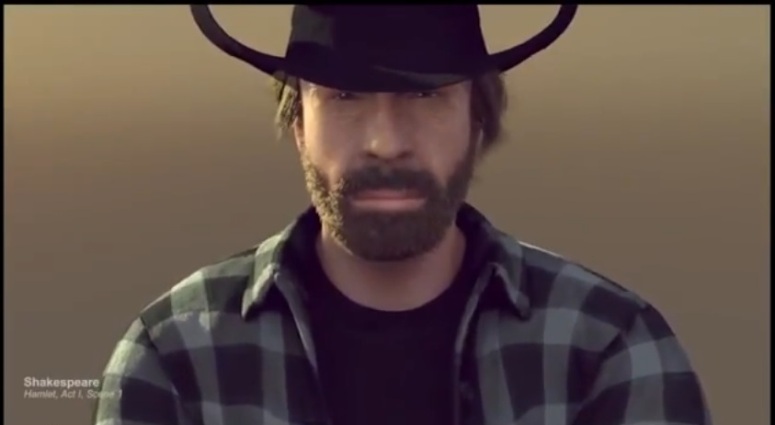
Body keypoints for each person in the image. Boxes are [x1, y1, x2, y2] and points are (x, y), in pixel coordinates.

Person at [93, 5, 712, 425]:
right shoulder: (176, 358)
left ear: (477, 119)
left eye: (425, 94)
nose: (386, 143)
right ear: (298, 122)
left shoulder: (607, 347)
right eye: (344, 96)